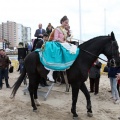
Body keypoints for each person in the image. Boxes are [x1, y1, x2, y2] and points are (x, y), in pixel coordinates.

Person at [40, 16, 79, 82]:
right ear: (62, 22)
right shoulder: (57, 29)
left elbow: (65, 39)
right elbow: (55, 38)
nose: (67, 24)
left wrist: (67, 39)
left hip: (62, 43)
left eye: (67, 23)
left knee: (73, 47)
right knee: (58, 53)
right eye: (66, 22)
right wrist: (63, 42)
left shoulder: (64, 30)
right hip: (55, 43)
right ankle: (51, 73)